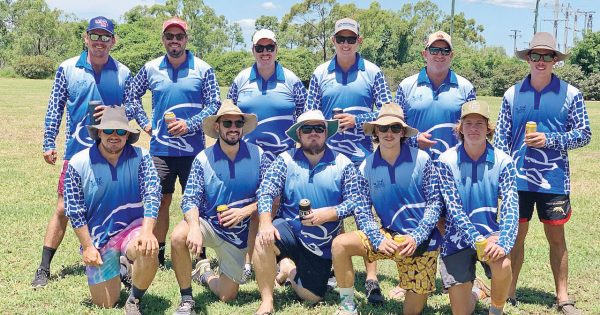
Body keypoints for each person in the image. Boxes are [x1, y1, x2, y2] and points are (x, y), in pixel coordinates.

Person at [495, 32, 591, 315]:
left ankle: (563, 297)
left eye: (547, 56)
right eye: (535, 55)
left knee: (557, 239)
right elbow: (500, 138)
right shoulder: (512, 93)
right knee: (515, 237)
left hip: (554, 179)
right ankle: (508, 291)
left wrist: (551, 139)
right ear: (528, 59)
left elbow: (584, 134)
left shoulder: (571, 93)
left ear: (555, 61)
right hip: (518, 178)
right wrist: (502, 174)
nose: (540, 61)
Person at [33, 16, 131, 288]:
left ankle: (120, 263)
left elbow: (133, 109)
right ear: (86, 38)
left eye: (105, 37)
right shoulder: (67, 68)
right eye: (95, 36)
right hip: (76, 153)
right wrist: (48, 142)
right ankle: (43, 267)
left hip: (113, 152)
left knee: (114, 208)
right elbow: (55, 107)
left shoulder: (123, 73)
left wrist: (113, 113)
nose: (100, 42)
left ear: (113, 41)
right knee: (64, 208)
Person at [305, 17, 393, 304]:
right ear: (333, 41)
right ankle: (340, 271)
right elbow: (309, 114)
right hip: (328, 156)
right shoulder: (320, 73)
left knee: (364, 214)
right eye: (340, 39)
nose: (345, 44)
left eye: (350, 39)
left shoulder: (373, 72)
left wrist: (358, 120)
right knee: (334, 211)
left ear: (359, 42)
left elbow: (388, 112)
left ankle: (371, 278)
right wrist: (326, 124)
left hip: (362, 157)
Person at [126, 17, 221, 266]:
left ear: (186, 40)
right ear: (163, 40)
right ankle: (157, 253)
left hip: (195, 152)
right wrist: (146, 124)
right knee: (161, 201)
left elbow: (214, 104)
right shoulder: (151, 68)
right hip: (161, 150)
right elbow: (131, 95)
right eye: (170, 36)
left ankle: (200, 254)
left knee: (198, 203)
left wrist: (189, 125)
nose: (175, 41)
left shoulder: (203, 68)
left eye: (179, 36)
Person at [331, 103, 443, 315]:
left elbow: (435, 204)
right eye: (383, 128)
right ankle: (347, 305)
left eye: (394, 128)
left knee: (411, 312)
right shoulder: (366, 166)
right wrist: (378, 239)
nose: (389, 133)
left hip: (421, 243)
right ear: (375, 131)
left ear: (403, 132)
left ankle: (476, 289)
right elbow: (362, 210)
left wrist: (416, 237)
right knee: (340, 245)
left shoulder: (422, 159)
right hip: (388, 237)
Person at [253, 110, 368, 315]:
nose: (313, 133)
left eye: (318, 128)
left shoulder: (343, 163)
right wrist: (265, 222)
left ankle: (288, 270)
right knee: (263, 240)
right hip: (289, 230)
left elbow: (357, 202)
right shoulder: (285, 160)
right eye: (307, 128)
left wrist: (331, 213)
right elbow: (266, 191)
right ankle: (267, 301)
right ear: (299, 134)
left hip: (321, 245)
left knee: (313, 297)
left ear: (326, 133)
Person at [392, 30, 478, 300]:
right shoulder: (406, 86)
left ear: (451, 55)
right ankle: (408, 279)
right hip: (416, 166)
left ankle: (457, 278)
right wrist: (415, 140)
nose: (439, 55)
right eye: (434, 50)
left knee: (452, 219)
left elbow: (473, 125)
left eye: (444, 51)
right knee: (417, 220)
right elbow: (396, 127)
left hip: (454, 167)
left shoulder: (465, 87)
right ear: (424, 54)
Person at [170, 100, 268, 315]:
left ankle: (204, 273)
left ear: (243, 126)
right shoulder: (203, 158)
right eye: (227, 123)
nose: (233, 128)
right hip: (211, 225)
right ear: (217, 127)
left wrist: (245, 211)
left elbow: (273, 196)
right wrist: (195, 228)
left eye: (238, 123)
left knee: (227, 296)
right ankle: (187, 298)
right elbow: (190, 199)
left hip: (241, 235)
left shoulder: (259, 155)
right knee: (178, 237)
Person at [227, 28, 307, 282]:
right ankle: (250, 261)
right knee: (254, 208)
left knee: (283, 209)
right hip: (249, 158)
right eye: (259, 48)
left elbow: (305, 118)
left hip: (285, 157)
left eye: (269, 48)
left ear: (276, 49)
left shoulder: (292, 80)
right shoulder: (241, 80)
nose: (264, 53)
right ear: (253, 51)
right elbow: (228, 115)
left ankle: (283, 258)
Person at [63, 106, 161, 314]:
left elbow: (153, 194)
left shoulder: (142, 157)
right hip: (100, 237)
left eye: (120, 131)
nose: (114, 136)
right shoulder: (78, 163)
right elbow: (75, 210)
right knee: (105, 303)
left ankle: (134, 299)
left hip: (132, 229)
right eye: (108, 130)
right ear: (99, 132)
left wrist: (147, 231)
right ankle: (123, 266)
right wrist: (88, 247)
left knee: (147, 248)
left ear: (127, 134)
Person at [437, 100, 518, 315]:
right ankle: (476, 291)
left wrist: (503, 242)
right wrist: (477, 240)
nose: (474, 129)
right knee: (461, 312)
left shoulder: (504, 161)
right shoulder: (445, 161)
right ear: (460, 128)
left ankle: (496, 310)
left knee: (503, 264)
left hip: (490, 235)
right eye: (468, 123)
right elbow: (453, 209)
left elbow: (511, 205)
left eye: (480, 124)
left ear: (488, 129)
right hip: (456, 238)